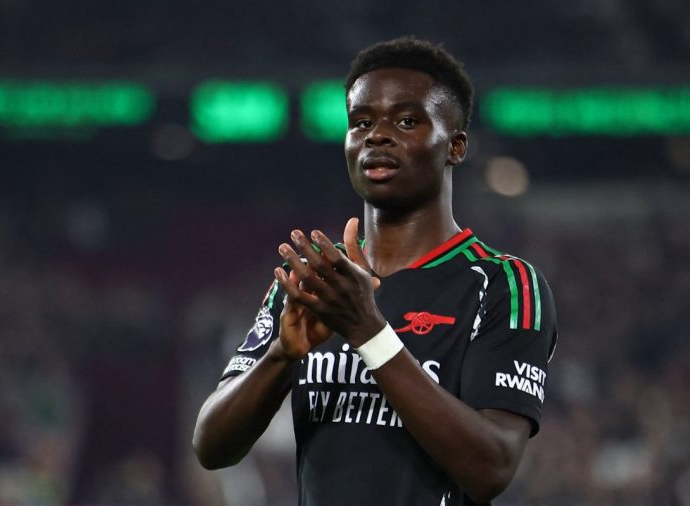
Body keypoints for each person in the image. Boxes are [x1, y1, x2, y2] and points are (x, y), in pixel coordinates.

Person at [193, 36, 558, 506]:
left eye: (407, 120)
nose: (376, 135)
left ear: (456, 147)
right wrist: (282, 355)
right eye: (361, 122)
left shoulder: (505, 285)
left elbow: (491, 466)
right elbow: (211, 446)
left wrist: (369, 330)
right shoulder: (315, 278)